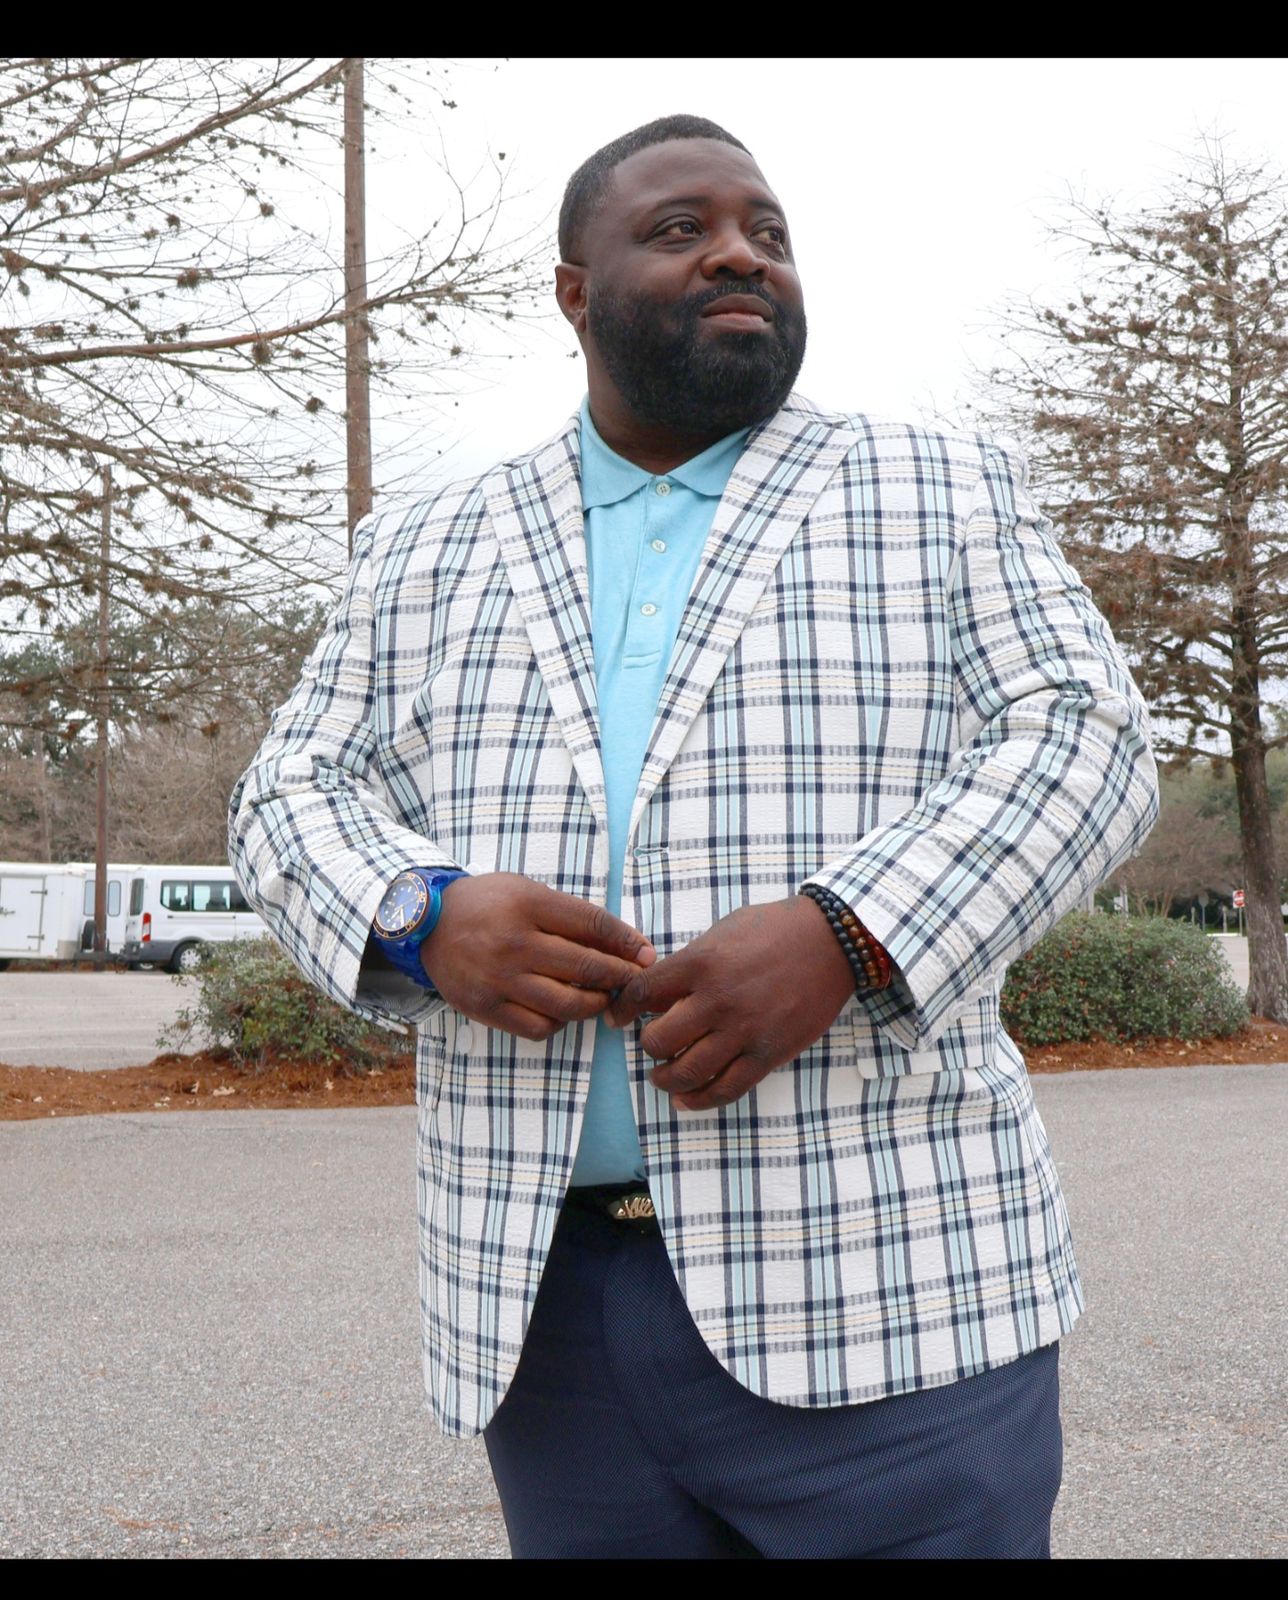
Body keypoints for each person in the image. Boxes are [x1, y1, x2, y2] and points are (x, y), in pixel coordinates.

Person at [228, 114, 1158, 1559]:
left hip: (895, 1294)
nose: (740, 253)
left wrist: (851, 933)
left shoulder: (940, 490)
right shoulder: (422, 544)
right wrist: (419, 915)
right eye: (681, 229)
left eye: (767, 233)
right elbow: (287, 792)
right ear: (573, 291)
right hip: (548, 1320)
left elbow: (1087, 739)